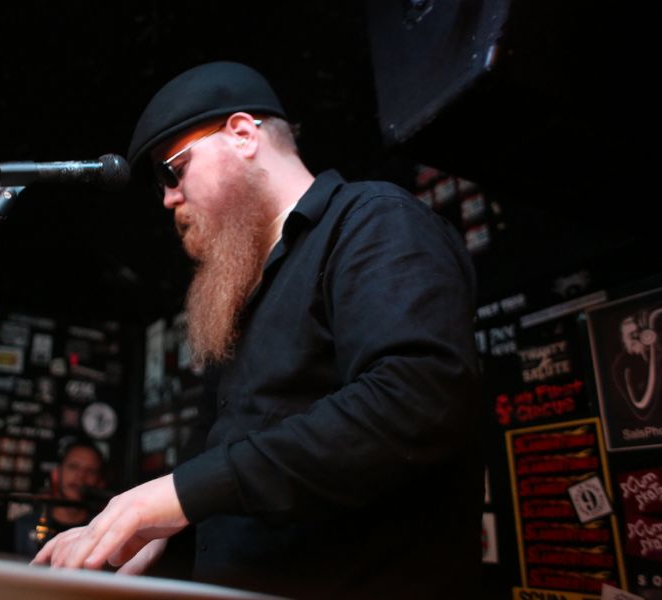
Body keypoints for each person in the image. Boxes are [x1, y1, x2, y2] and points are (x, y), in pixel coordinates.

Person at [34, 61, 483, 599]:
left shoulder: (373, 220)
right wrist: (160, 531)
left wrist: (179, 494)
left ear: (243, 134)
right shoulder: (242, 288)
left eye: (173, 171)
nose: (167, 198)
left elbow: (415, 399)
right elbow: (226, 462)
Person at [14, 438, 104, 557]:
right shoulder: (23, 526)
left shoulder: (102, 531)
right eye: (73, 467)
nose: (81, 476)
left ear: (100, 482)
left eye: (91, 471)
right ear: (56, 474)